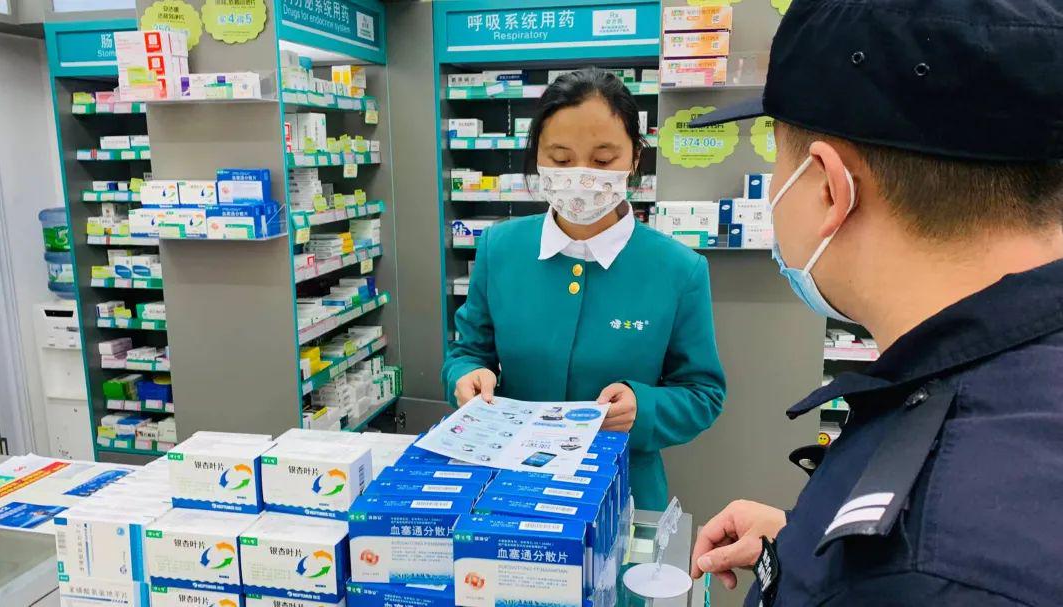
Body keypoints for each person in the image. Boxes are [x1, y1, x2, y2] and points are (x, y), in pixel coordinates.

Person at [686, 0, 1063, 604]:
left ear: (828, 187)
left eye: (775, 160)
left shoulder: (923, 571)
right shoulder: (1004, 382)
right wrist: (804, 551)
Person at [441, 68, 726, 511]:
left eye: (603, 160)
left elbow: (702, 392)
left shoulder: (678, 269)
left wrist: (643, 407)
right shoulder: (501, 248)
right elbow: (467, 353)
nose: (581, 176)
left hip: (621, 494)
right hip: (511, 488)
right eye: (560, 159)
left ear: (635, 158)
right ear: (538, 157)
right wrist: (465, 378)